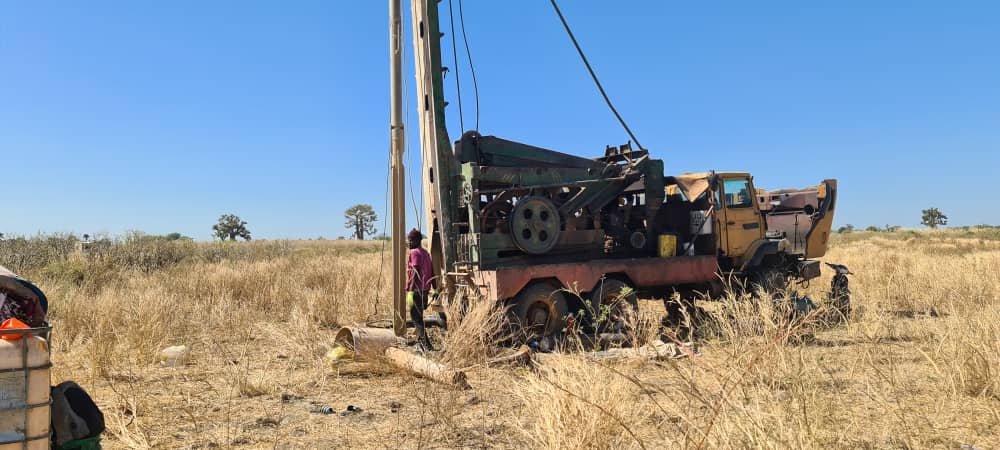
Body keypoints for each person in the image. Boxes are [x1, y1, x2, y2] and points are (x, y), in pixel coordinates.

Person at [406, 228, 436, 351]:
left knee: (416, 319)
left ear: (418, 240)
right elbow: (433, 271)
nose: (409, 242)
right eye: (409, 240)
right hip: (425, 290)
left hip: (417, 291)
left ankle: (427, 346)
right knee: (419, 317)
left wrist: (411, 292)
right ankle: (421, 345)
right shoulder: (426, 253)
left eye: (411, 240)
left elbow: (415, 271)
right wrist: (435, 289)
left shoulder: (414, 253)